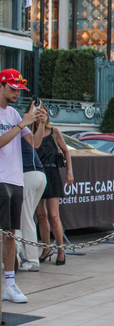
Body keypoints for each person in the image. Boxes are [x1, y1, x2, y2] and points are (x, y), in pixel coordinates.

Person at [0, 68, 45, 303]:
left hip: (15, 180)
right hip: (1, 180)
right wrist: (21, 124)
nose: (17, 93)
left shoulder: (16, 115)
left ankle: (10, 284)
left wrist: (40, 124)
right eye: (12, 88)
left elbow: (35, 144)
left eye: (19, 89)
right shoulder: (14, 118)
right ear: (1, 86)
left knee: (10, 234)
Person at [34, 105, 73, 266]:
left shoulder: (53, 131)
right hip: (37, 172)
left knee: (54, 214)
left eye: (43, 113)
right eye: (38, 113)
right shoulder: (30, 132)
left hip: (52, 172)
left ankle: (61, 249)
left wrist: (70, 171)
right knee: (40, 214)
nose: (40, 116)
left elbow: (66, 151)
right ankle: (46, 247)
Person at [17, 137, 46, 272]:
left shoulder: (12, 134)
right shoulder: (20, 133)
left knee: (24, 218)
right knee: (24, 217)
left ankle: (31, 260)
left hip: (28, 174)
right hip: (38, 174)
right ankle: (21, 256)